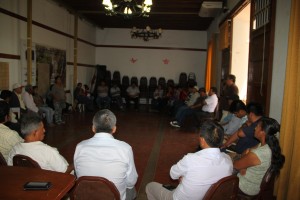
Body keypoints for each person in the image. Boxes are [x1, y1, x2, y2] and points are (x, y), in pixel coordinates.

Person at [146, 120, 233, 200]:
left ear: (202, 140)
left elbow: (173, 174)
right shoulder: (228, 160)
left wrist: (184, 177)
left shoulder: (190, 159)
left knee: (150, 187)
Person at [74, 109, 138, 200]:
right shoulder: (125, 148)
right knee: (131, 189)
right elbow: (131, 181)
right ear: (114, 129)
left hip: (86, 196)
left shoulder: (80, 147)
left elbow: (77, 173)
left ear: (93, 128)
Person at [234, 117, 285, 196]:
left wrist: (243, 166)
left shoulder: (259, 153)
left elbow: (236, 165)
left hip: (246, 187)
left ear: (263, 132)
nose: (255, 128)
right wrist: (244, 166)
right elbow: (247, 151)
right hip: (254, 183)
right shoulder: (266, 145)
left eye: (257, 126)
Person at [7, 113, 72, 173]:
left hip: (25, 180)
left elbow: (11, 168)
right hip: (48, 181)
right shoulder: (47, 151)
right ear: (35, 132)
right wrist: (75, 163)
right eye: (42, 128)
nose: (44, 130)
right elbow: (64, 171)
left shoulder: (14, 149)